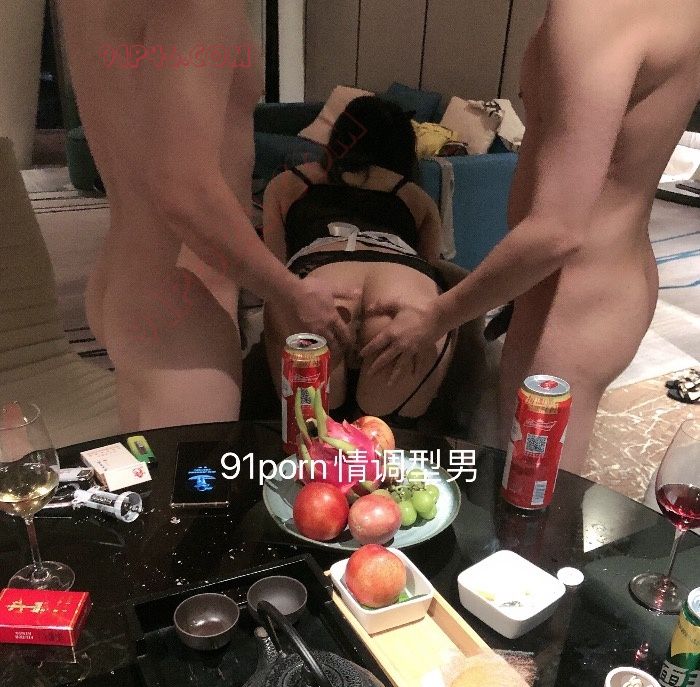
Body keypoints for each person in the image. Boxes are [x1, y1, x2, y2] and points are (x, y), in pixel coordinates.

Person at [361, 0, 700, 472]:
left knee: (531, 501)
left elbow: (557, 231)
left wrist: (436, 317)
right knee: (532, 490)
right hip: (598, 277)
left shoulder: (595, 10)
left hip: (573, 298)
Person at [57, 0, 351, 430]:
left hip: (133, 285)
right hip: (179, 312)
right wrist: (293, 293)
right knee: (193, 476)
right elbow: (184, 193)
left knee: (152, 472)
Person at [262, 96, 455, 418]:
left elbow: (274, 268)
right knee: (391, 438)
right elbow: (430, 265)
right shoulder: (416, 197)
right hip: (403, 285)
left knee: (309, 434)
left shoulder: (287, 184)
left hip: (320, 282)